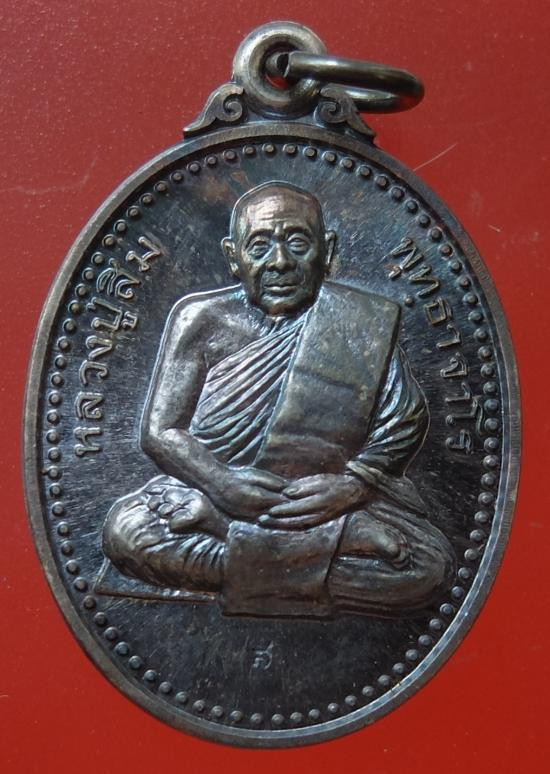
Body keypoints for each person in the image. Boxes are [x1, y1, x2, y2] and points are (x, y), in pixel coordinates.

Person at [102, 181, 455, 618]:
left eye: (298, 243)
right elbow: (161, 430)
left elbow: (404, 419)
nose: (280, 262)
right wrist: (221, 483)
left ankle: (231, 537)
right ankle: (335, 543)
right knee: (127, 532)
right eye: (260, 246)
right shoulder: (202, 320)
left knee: (431, 567)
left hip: (322, 504)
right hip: (216, 492)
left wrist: (353, 486)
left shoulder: (360, 324)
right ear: (234, 257)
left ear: (327, 251)